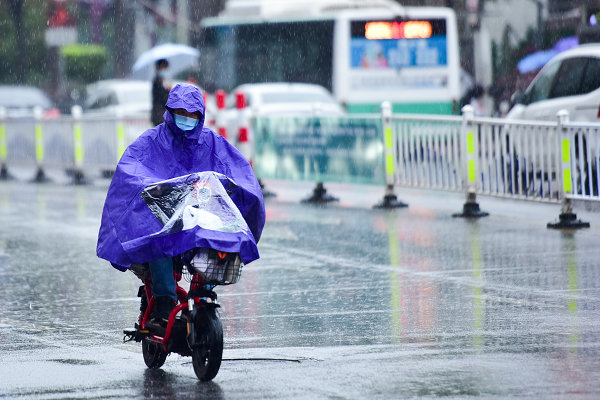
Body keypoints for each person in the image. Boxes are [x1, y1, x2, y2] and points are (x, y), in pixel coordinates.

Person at [97, 84, 265, 324]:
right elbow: (131, 169)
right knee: (159, 241)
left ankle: (203, 289)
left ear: (201, 116)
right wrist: (155, 187)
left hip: (201, 214)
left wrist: (234, 187)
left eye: (192, 115)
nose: (186, 119)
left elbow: (238, 171)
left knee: (216, 238)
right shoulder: (152, 140)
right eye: (181, 114)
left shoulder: (212, 143)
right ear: (169, 112)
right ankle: (164, 301)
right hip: (166, 217)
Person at [151, 58, 171, 126]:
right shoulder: (157, 82)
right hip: (159, 117)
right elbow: (164, 99)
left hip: (160, 116)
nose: (165, 70)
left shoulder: (161, 82)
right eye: (164, 68)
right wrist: (169, 91)